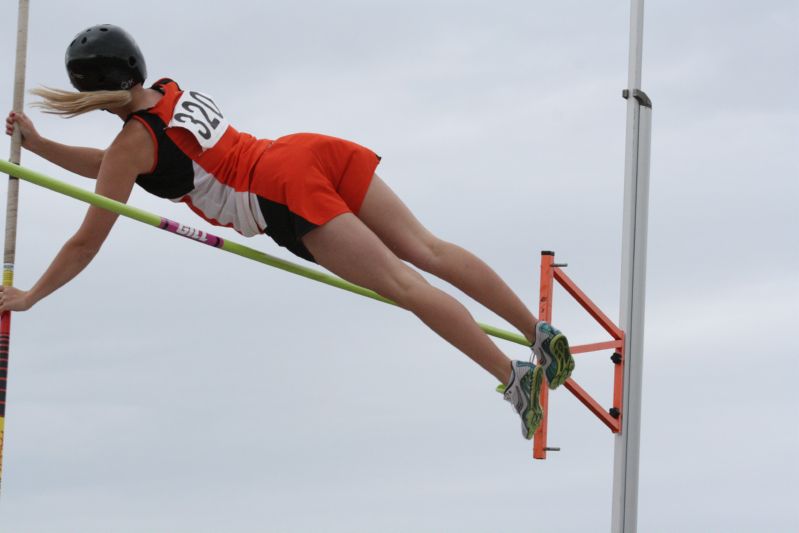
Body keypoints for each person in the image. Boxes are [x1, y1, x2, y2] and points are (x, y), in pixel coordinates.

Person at [1, 24, 573, 439]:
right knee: (428, 248)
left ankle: (514, 377)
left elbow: (86, 239)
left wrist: (31, 295)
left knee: (404, 286)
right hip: (302, 150)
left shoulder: (132, 144)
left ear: (90, 88)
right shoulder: (170, 91)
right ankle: (538, 333)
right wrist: (42, 146)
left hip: (277, 193)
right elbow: (110, 164)